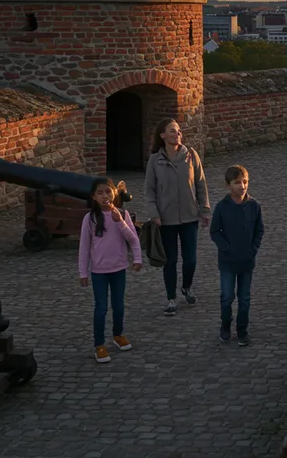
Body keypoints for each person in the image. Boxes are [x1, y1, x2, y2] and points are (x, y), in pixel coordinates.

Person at [145, 118, 211, 317]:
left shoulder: (191, 155)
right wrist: (154, 214)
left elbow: (201, 184)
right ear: (163, 136)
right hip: (166, 219)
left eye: (179, 131)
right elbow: (149, 191)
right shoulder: (154, 160)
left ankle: (187, 286)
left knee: (190, 259)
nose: (177, 134)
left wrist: (205, 210)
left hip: (190, 216)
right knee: (170, 260)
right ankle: (171, 298)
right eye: (172, 131)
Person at [78, 178, 143, 363]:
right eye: (100, 193)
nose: (105, 196)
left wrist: (137, 259)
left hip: (118, 268)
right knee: (101, 307)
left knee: (118, 305)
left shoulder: (122, 214)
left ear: (114, 193)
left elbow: (133, 239)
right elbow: (84, 247)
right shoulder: (90, 218)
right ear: (93, 196)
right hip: (99, 271)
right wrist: (83, 272)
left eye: (108, 191)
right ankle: (99, 344)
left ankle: (118, 335)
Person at [210, 165, 263, 346]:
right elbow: (215, 231)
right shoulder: (222, 207)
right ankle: (225, 325)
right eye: (237, 182)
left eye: (245, 182)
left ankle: (242, 330)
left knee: (244, 298)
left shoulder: (254, 206)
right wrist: (226, 247)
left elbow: (259, 230)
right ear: (228, 185)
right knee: (227, 297)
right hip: (227, 262)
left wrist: (253, 249)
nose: (242, 186)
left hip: (247, 261)